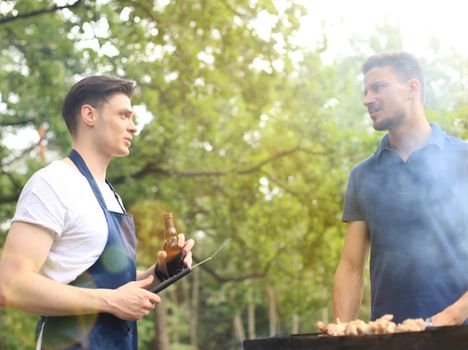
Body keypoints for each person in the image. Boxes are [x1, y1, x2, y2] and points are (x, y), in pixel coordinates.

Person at [0, 75, 195, 349]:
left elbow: (113, 288)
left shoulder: (111, 196)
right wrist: (111, 301)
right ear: (89, 115)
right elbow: (10, 284)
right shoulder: (52, 183)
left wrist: (160, 272)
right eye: (124, 116)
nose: (134, 127)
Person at [333, 52, 468, 326]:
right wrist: (341, 331)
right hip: (389, 339)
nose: (367, 99)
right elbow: (351, 267)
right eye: (365, 91)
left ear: (412, 88)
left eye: (378, 87)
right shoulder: (362, 176)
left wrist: (450, 318)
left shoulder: (463, 159)